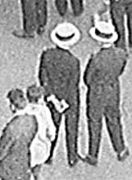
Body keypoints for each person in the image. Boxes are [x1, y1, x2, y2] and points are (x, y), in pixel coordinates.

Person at [83, 18, 130, 164]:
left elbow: (87, 78)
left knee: (94, 122)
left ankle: (93, 154)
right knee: (114, 119)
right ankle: (120, 149)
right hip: (113, 88)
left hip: (97, 92)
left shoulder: (96, 59)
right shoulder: (121, 54)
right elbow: (121, 70)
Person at [40, 22, 85, 167]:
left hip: (52, 98)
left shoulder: (46, 55)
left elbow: (42, 77)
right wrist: (64, 101)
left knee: (52, 126)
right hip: (69, 99)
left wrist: (52, 97)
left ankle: (48, 155)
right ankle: (72, 156)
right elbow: (73, 84)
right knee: (72, 127)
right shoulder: (74, 62)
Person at [0, 87, 38, 180]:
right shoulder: (33, 120)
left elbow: (4, 146)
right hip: (24, 161)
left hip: (10, 165)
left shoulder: (13, 126)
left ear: (12, 106)